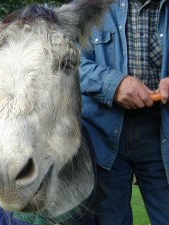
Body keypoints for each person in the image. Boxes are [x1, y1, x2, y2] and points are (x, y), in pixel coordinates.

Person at [79, 0, 169, 224]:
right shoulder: (88, 5)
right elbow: (70, 62)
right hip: (103, 135)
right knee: (110, 220)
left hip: (162, 132)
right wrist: (114, 84)